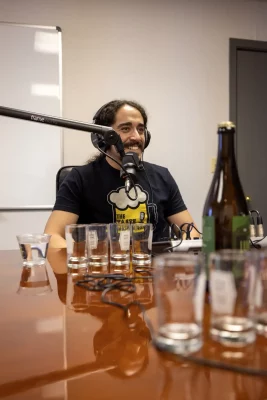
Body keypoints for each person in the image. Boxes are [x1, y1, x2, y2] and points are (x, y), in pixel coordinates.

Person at [45, 99, 199, 247]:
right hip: (103, 269)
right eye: (126, 128)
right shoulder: (80, 178)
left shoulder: (162, 176)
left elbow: (191, 232)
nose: (137, 137)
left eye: (140, 129)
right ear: (102, 137)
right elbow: (53, 236)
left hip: (153, 269)